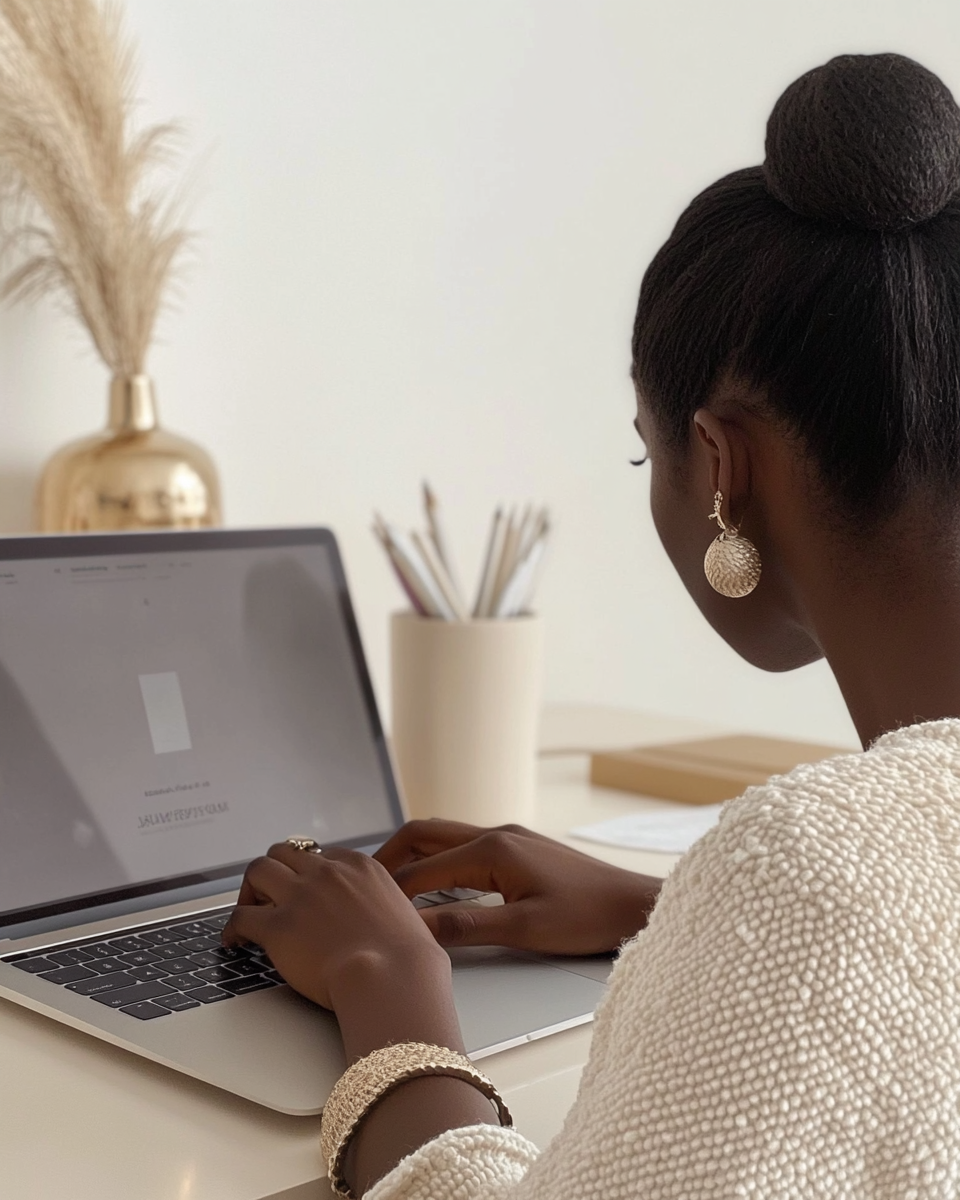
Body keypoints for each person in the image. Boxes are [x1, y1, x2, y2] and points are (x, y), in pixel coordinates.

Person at [224, 52, 960, 1197]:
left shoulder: (817, 870)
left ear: (723, 466)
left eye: (644, 447)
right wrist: (681, 919)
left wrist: (387, 987)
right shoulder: (843, 880)